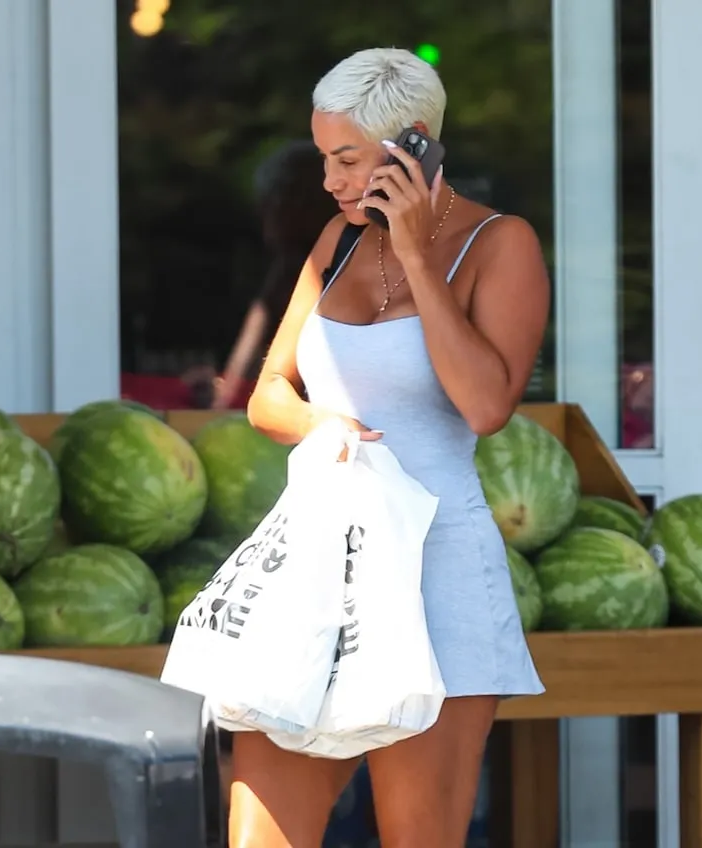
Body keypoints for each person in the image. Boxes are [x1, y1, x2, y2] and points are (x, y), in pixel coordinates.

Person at [237, 47, 550, 847]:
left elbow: (485, 405)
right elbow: (268, 396)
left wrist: (415, 249)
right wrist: (323, 426)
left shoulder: (498, 243)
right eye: (323, 159)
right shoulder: (334, 244)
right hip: (317, 569)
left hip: (435, 574)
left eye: (346, 159)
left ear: (412, 146)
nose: (330, 182)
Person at [212, 140, 337, 409]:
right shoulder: (288, 271)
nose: (265, 213)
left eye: (275, 201)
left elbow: (233, 389)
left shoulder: (301, 272)